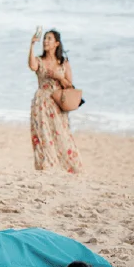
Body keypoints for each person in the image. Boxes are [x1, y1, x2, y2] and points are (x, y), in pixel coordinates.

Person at [28, 29, 83, 174]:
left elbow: (70, 86)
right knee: (43, 135)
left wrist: (59, 77)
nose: (46, 41)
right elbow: (32, 66)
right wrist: (31, 45)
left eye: (49, 39)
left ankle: (70, 167)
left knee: (62, 134)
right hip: (41, 102)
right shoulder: (40, 60)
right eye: (45, 38)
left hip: (57, 102)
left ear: (56, 44)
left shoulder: (63, 63)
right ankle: (46, 166)